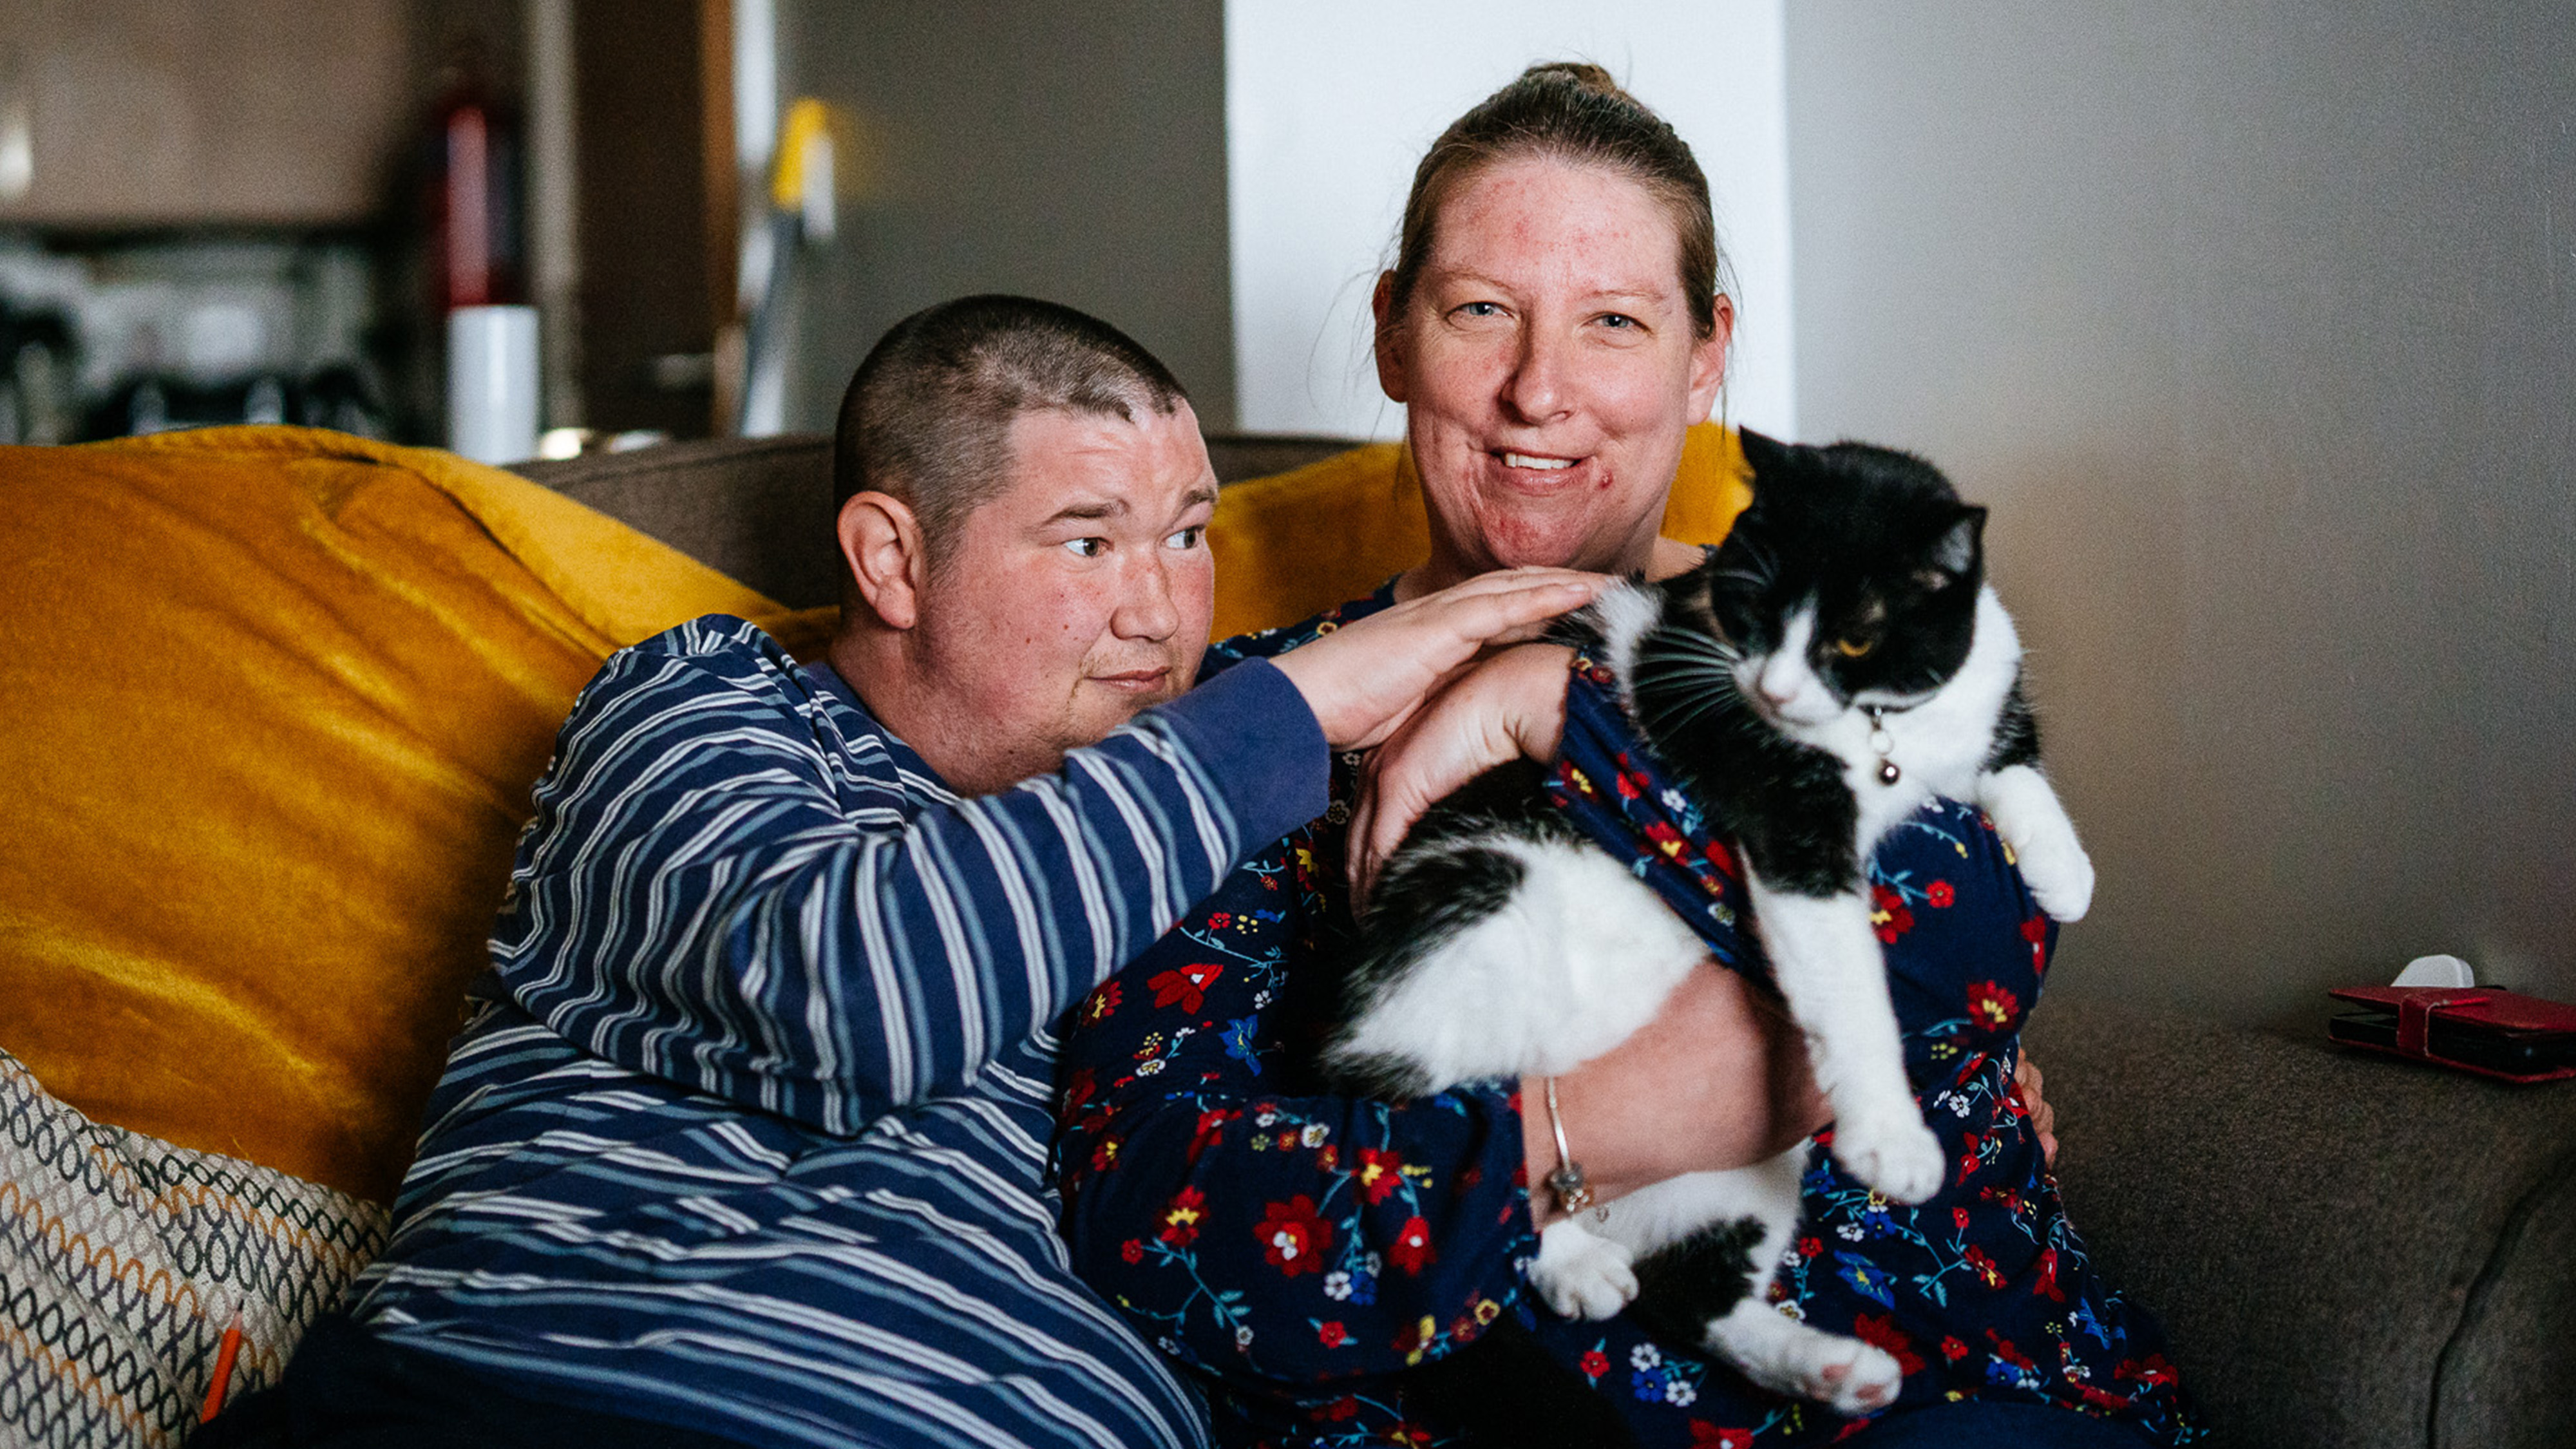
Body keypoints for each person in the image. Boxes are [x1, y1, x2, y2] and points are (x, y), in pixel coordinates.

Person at [195, 295, 1609, 1449]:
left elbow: (1325, 1240)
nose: (1159, 607)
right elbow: (862, 996)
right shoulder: (706, 707)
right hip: (536, 1398)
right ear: (891, 558)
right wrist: (1288, 713)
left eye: (1187, 535)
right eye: (1088, 538)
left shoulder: (1245, 850)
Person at [1052, 65, 2197, 1448]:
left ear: (1703, 353)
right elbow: (1172, 1219)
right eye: (1481, 312)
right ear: (1390, 336)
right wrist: (1568, 1132)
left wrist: (1560, 704)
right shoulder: (1255, 721)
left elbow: (1971, 957)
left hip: (1953, 1404)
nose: (1541, 392)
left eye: (1613, 321)